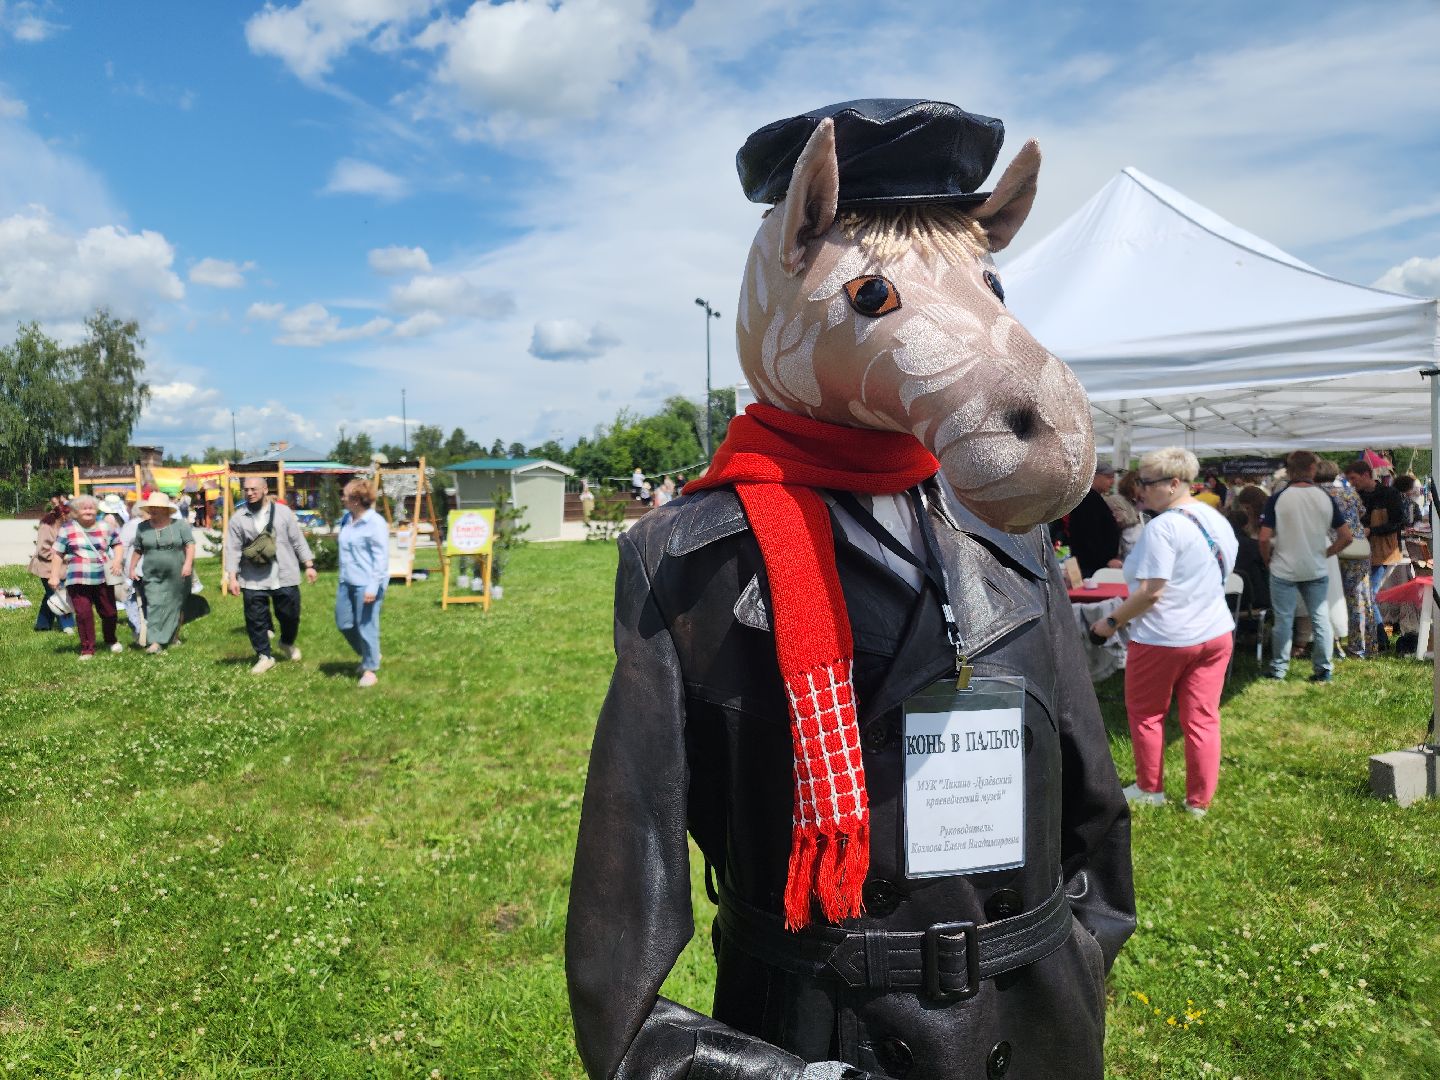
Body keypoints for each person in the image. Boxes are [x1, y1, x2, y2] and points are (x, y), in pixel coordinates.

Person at [1089, 448, 1238, 817]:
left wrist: (1108, 624)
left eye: (1148, 482)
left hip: (1163, 636)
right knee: (1203, 717)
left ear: (1174, 484)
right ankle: (1198, 802)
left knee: (1147, 714)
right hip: (1215, 631)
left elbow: (1152, 591)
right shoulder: (1215, 518)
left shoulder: (1164, 526)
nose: (1141, 490)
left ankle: (1149, 787)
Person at [1261, 450, 1351, 681]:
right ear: (1313, 469)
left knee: (1283, 620)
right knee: (1320, 618)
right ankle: (1323, 669)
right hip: (1315, 567)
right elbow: (1346, 536)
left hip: (1283, 567)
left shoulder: (1278, 498)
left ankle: (1279, 669)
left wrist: (1267, 560)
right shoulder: (1325, 497)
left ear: (1289, 470)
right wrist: (1327, 553)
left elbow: (1263, 537)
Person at [225, 477, 317, 675]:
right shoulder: (238, 518)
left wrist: (309, 565)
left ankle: (286, 642)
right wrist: (232, 577)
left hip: (285, 574)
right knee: (255, 619)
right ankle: (265, 656)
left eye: (254, 488)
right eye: (246, 489)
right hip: (252, 577)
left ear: (265, 489)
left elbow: (297, 540)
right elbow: (232, 549)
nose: (249, 493)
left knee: (290, 615)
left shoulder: (283, 513)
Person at [48, 494, 123, 660]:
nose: (88, 510)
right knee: (83, 614)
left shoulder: (106, 527)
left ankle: (111, 639)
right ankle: (87, 648)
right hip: (77, 577)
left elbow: (117, 545)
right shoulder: (67, 529)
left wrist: (117, 561)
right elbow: (58, 553)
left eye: (91, 507)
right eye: (84, 507)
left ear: (97, 510)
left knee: (109, 612)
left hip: (103, 576)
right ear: (76, 511)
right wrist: (54, 576)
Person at [1343, 459, 1407, 637]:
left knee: (1368, 593)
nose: (1351, 482)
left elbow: (1397, 523)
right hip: (1363, 551)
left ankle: (1380, 638)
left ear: (1365, 475)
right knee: (1365, 593)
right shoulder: (1357, 496)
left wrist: (1372, 530)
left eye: (1353, 478)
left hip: (1385, 552)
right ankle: (1376, 638)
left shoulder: (1390, 494)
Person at [335, 478, 388, 687]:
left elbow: (381, 558)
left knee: (367, 626)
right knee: (344, 623)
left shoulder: (375, 523)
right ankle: (371, 653)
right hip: (346, 581)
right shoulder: (347, 519)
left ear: (356, 499)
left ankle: (370, 669)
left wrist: (373, 587)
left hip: (367, 583)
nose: (342, 498)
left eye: (345, 495)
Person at [128, 492, 195, 654]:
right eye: (151, 507)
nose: (153, 510)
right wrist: (131, 567)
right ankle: (156, 641)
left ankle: (172, 636)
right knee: (155, 604)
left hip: (178, 573)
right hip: (152, 574)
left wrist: (187, 564)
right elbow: (138, 549)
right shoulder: (142, 527)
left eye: (157, 507)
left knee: (174, 605)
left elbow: (190, 545)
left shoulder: (180, 525)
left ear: (166, 509)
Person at [1321, 461, 1374, 659]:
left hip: (1330, 548)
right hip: (1357, 548)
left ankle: (1333, 643)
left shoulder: (1315, 493)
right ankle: (1361, 647)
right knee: (1359, 599)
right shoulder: (1349, 492)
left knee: (1329, 598)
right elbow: (1361, 512)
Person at [1066, 462, 1123, 577]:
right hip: (1092, 566)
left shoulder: (1093, 498)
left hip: (1094, 564)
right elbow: (1088, 535)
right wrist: (1105, 560)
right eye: (1108, 477)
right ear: (1094, 476)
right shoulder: (1088, 499)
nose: (1112, 482)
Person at [29, 493, 75, 634]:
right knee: (59, 595)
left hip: (60, 567)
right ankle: (68, 625)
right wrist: (65, 556)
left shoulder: (66, 525)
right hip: (46, 568)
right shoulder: (47, 525)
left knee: (50, 595)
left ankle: (42, 625)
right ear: (62, 515)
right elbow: (43, 550)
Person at [117, 502, 151, 645]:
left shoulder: (138, 524)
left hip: (140, 569)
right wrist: (121, 565)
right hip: (135, 569)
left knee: (136, 602)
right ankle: (140, 632)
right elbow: (123, 547)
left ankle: (142, 632)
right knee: (133, 601)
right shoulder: (133, 525)